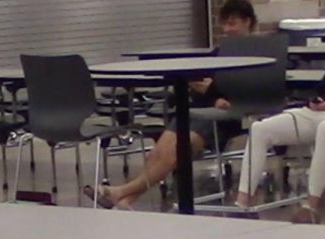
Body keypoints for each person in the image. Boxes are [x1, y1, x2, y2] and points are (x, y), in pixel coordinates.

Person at [88, 0, 257, 210]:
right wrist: (209, 93)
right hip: (198, 111)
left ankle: (121, 192)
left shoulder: (258, 55)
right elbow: (203, 86)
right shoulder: (218, 54)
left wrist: (214, 94)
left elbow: (253, 91)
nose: (228, 29)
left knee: (176, 150)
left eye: (233, 23)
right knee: (159, 150)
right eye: (225, 24)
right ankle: (126, 200)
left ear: (248, 22)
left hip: (225, 118)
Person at [236, 0, 325, 223]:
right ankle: (243, 202)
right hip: (321, 112)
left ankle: (311, 205)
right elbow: (322, 87)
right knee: (261, 128)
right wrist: (317, 100)